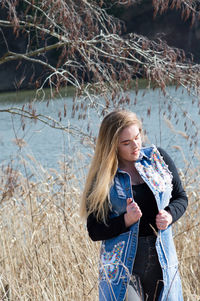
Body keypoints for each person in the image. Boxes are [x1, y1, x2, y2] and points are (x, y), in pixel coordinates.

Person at [80, 110, 188, 301]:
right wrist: (125, 220)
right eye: (126, 142)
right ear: (112, 145)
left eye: (137, 137)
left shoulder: (158, 159)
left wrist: (170, 215)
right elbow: (94, 230)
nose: (135, 145)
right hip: (123, 269)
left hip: (162, 261)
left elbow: (181, 197)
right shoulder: (104, 178)